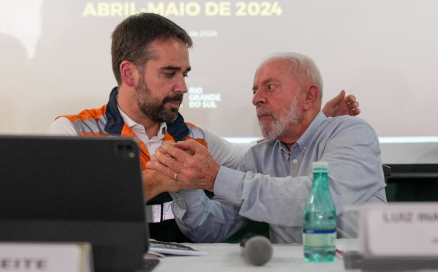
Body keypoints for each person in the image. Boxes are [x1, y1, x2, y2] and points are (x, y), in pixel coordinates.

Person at [48, 13, 361, 241]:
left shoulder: (197, 139)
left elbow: (262, 169)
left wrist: (311, 124)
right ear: (129, 75)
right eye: (170, 73)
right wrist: (155, 182)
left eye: (185, 73)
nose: (183, 86)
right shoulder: (74, 132)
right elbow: (60, 212)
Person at [146, 52, 387, 243]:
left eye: (269, 87)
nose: (256, 99)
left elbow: (319, 201)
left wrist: (215, 176)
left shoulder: (352, 133)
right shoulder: (259, 158)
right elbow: (211, 230)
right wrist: (186, 178)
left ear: (309, 96)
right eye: (254, 91)